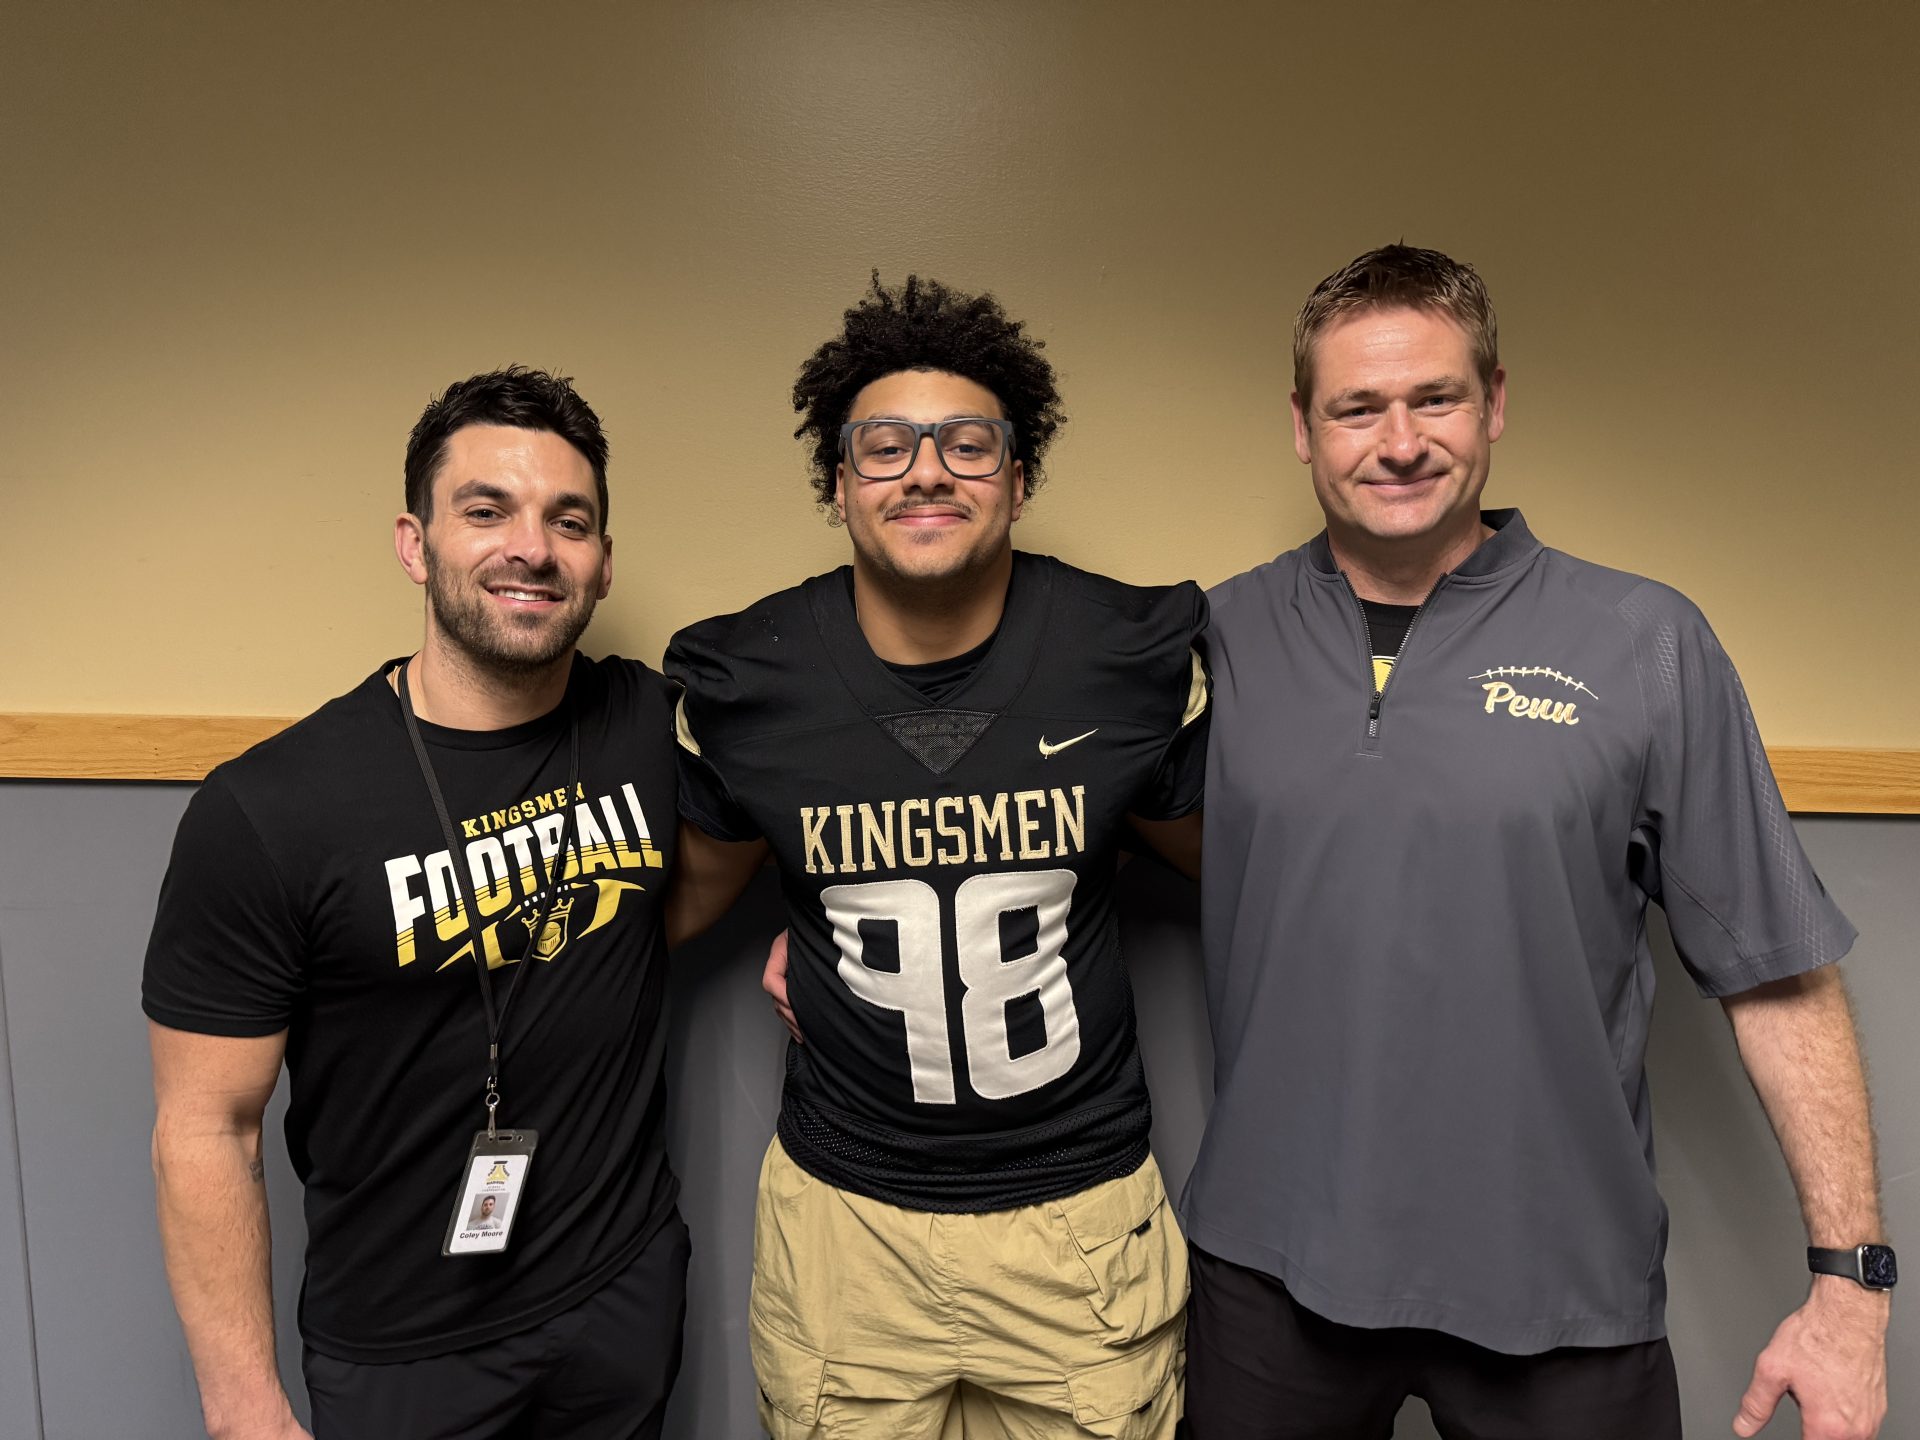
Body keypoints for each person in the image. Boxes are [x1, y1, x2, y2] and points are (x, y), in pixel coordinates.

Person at [1181, 245, 1891, 1440]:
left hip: (1560, 1287)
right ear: (1302, 426)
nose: (1399, 442)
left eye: (1436, 399)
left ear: (1495, 402)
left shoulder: (1643, 640)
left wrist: (1851, 1289)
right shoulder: (1222, 633)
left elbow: (1777, 974)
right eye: (1357, 407)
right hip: (1271, 1274)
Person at [665, 275, 1208, 1438]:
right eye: (885, 446)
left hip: (1077, 1217)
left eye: (967, 443)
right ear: (837, 482)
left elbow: (1244, 869)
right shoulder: (752, 676)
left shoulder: (1123, 657)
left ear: (1019, 476)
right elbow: (675, 907)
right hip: (845, 1224)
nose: (926, 472)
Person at [144, 367, 688, 1440]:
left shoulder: (640, 722)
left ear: (602, 562)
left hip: (622, 1288)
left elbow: (721, 865)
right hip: (403, 1347)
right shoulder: (270, 807)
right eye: (486, 511)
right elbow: (206, 1126)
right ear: (415, 544)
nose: (532, 548)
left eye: (568, 520)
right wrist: (245, 1411)